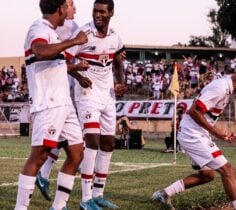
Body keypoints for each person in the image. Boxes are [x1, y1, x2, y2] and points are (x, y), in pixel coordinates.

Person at [152, 62, 236, 210]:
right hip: (192, 134)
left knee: (207, 175)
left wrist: (221, 134)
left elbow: (205, 115)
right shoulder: (221, 87)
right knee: (228, 170)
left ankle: (163, 194)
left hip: (195, 133)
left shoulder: (226, 89)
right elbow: (194, 111)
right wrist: (216, 132)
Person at [14, 0, 89, 210]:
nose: (69, 8)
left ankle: (58, 206)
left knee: (77, 153)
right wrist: (74, 41)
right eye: (67, 5)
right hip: (48, 104)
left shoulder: (53, 33)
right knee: (39, 156)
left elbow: (53, 64)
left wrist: (76, 71)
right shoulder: (38, 28)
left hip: (64, 104)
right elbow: (39, 51)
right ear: (60, 9)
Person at [65, 0, 126, 209]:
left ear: (111, 13)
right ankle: (85, 198)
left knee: (108, 143)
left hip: (108, 96)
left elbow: (118, 60)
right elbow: (64, 62)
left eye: (102, 11)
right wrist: (79, 77)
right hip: (86, 94)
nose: (97, 15)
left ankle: (99, 194)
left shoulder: (115, 37)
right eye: (95, 11)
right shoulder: (83, 34)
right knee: (92, 140)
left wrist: (120, 82)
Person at [34, 0, 82, 201]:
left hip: (66, 87)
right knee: (50, 146)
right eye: (70, 4)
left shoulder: (73, 27)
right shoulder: (59, 28)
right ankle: (42, 175)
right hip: (56, 92)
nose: (74, 8)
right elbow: (60, 55)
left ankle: (54, 194)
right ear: (61, 7)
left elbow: (65, 60)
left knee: (73, 145)